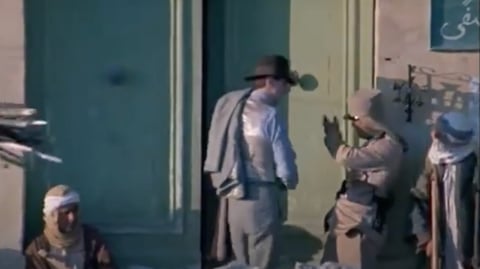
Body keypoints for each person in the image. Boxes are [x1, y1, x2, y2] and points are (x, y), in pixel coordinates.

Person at [203, 55, 299, 269]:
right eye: (285, 83)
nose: (287, 90)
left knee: (241, 259)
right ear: (271, 81)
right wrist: (289, 181)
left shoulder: (231, 108)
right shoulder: (269, 114)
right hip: (261, 192)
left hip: (233, 194)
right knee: (263, 256)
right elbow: (283, 161)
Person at [321, 89, 406, 268]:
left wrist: (334, 139)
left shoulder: (387, 147)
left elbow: (347, 157)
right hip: (347, 219)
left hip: (359, 224)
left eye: (355, 120)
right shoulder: (376, 143)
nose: (353, 125)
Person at [409, 111, 478, 269]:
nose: (435, 137)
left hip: (468, 249)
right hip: (441, 248)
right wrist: (425, 237)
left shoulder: (473, 165)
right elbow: (419, 201)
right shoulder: (433, 162)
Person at [25, 184, 116, 269]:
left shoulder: (91, 239)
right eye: (65, 213)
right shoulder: (37, 250)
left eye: (74, 211)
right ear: (52, 216)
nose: (72, 218)